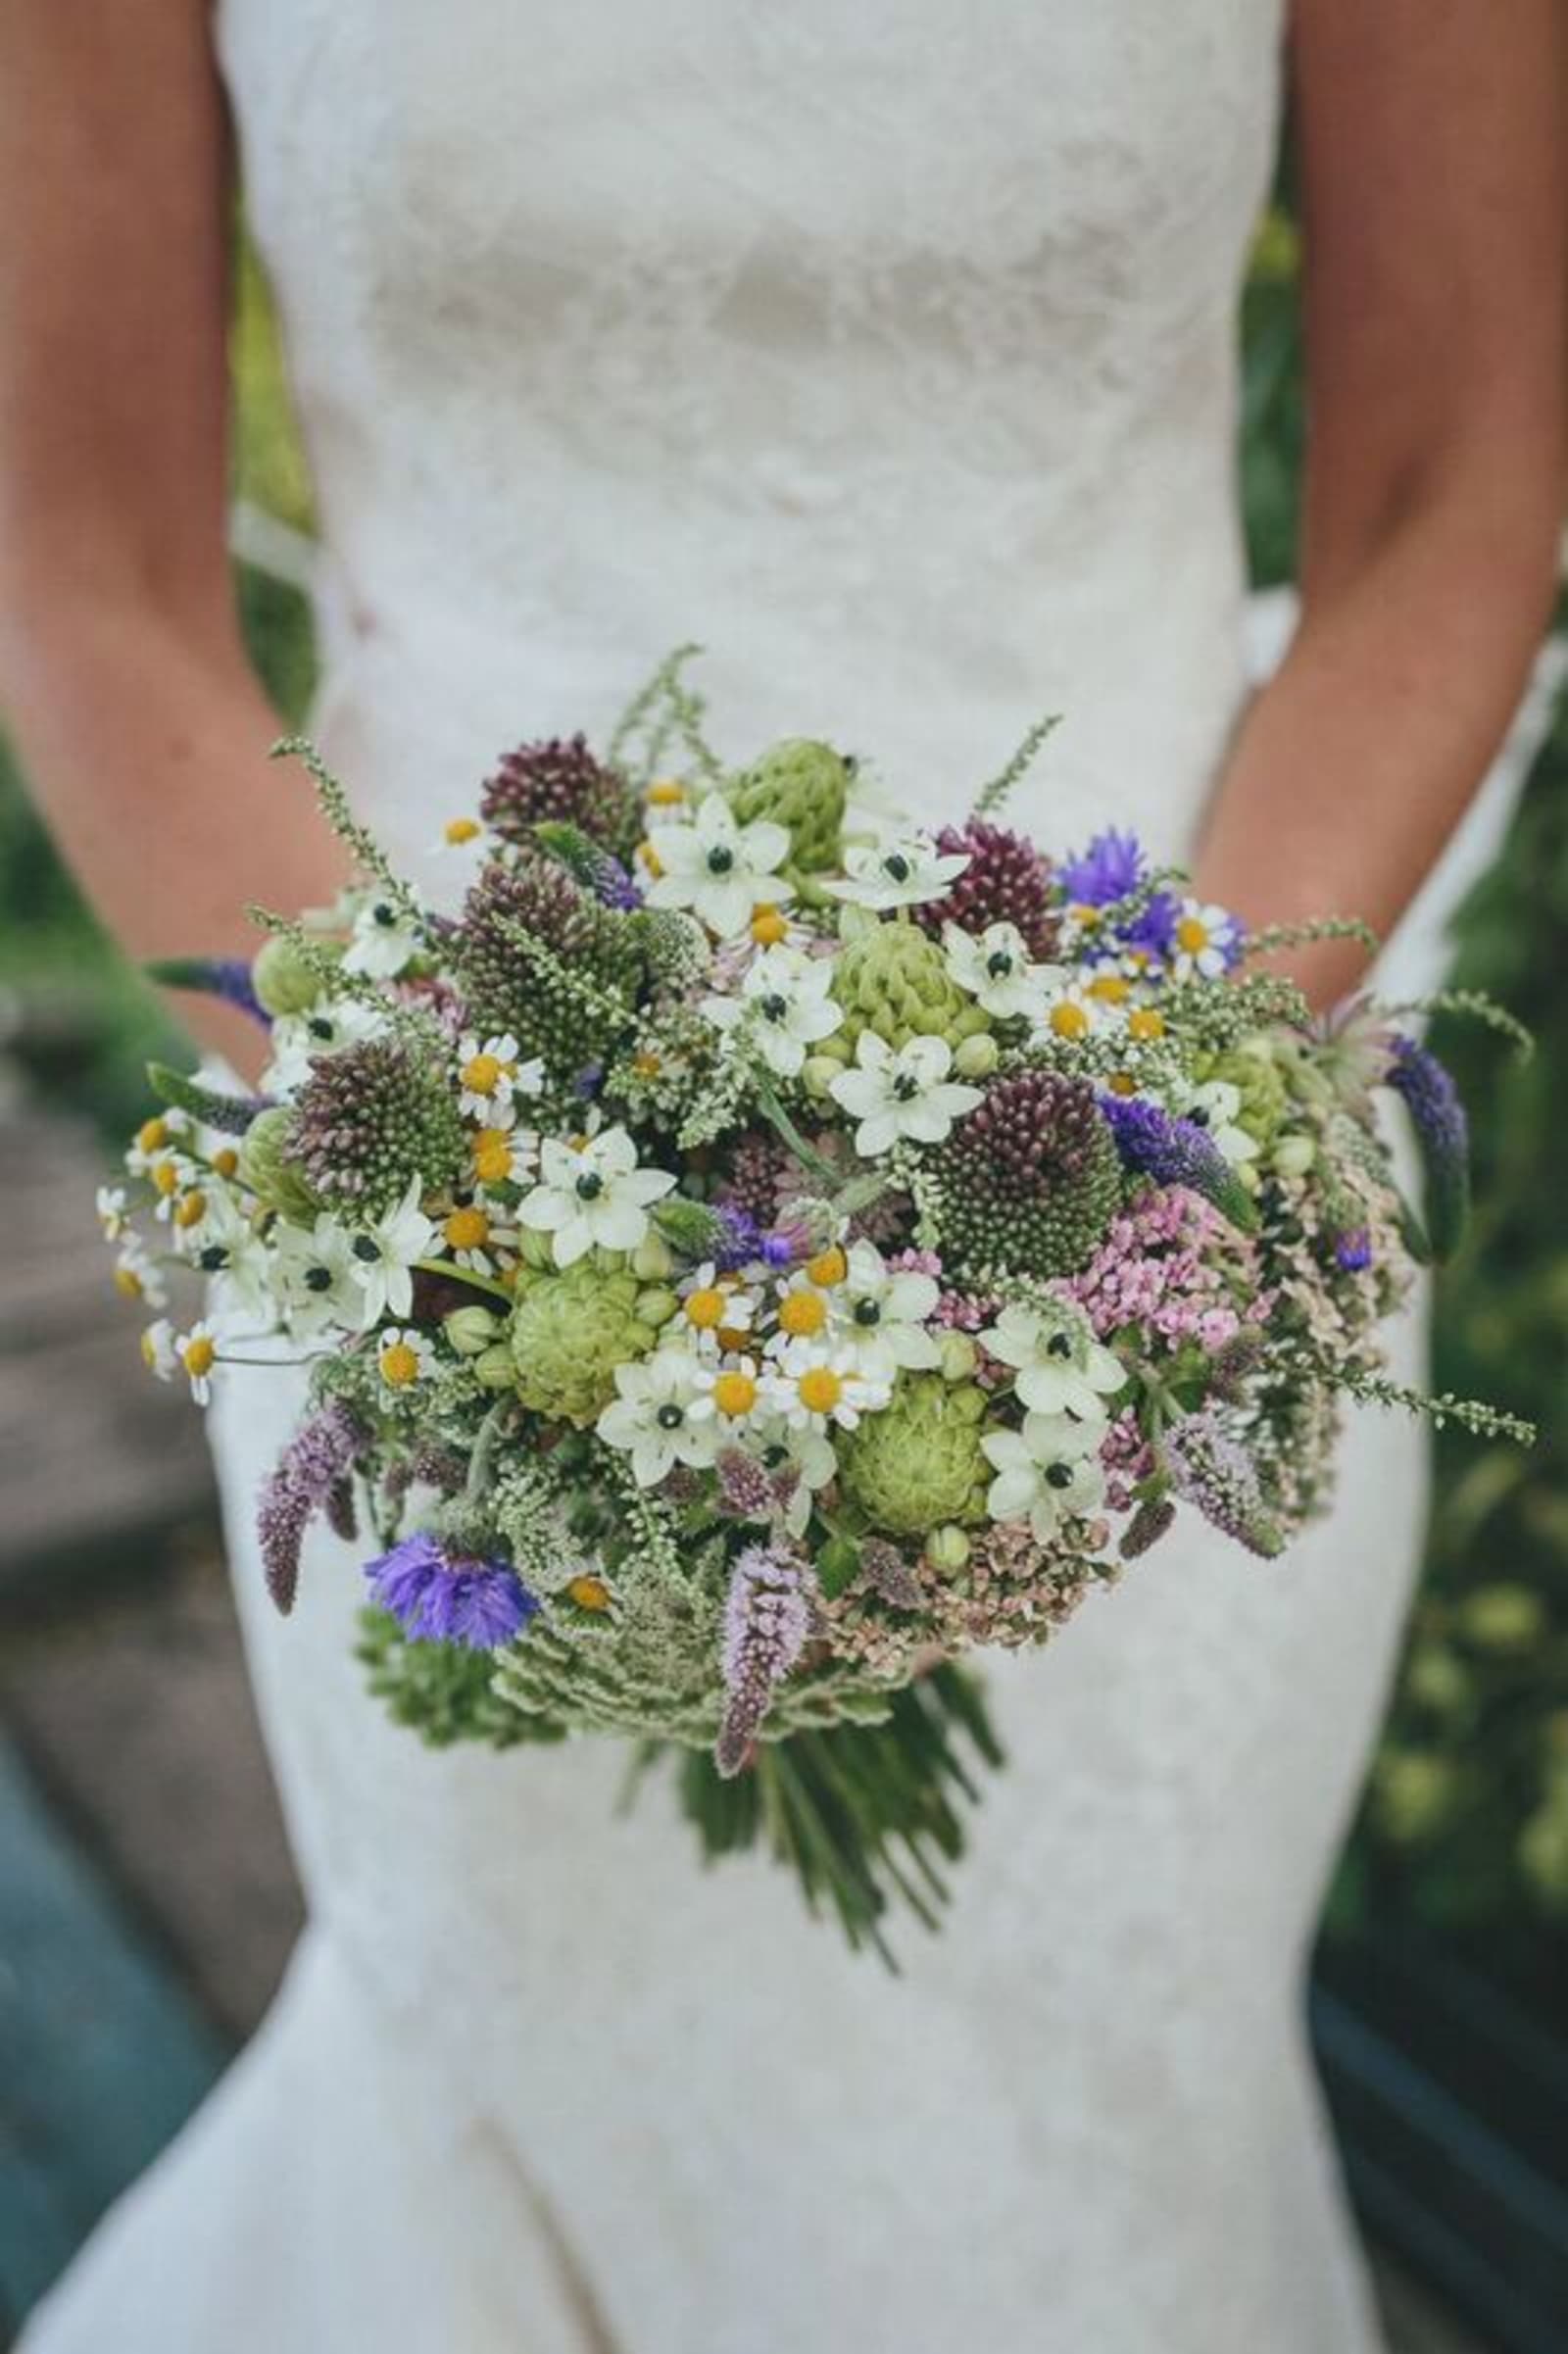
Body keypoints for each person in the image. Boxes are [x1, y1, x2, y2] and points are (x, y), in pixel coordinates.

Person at [1, 6, 1562, 2349]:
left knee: (1073, 2187)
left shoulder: (1165, 1191)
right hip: (452, 1231)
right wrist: (472, 1214)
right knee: (542, 2095)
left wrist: (1169, 1147)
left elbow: (1452, 487)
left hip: (1158, 1199)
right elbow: (91, 572)